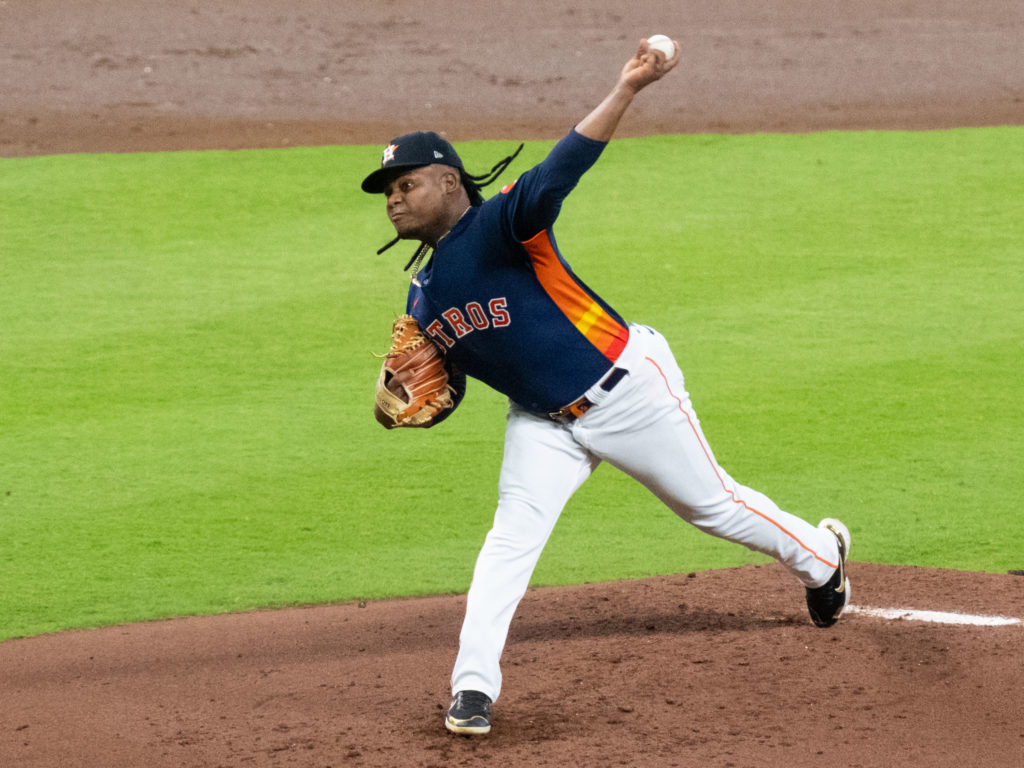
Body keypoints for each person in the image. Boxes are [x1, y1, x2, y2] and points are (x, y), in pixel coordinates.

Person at [361, 38, 851, 736]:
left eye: (404, 185)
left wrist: (626, 89)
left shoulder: (501, 222)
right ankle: (472, 690)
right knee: (509, 540)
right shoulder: (424, 293)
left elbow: (563, 166)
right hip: (540, 422)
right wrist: (402, 406)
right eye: (387, 192)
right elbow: (447, 385)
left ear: (446, 182)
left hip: (628, 390)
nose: (393, 201)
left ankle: (823, 558)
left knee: (715, 508)